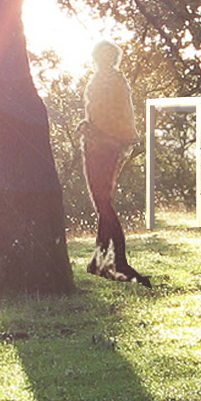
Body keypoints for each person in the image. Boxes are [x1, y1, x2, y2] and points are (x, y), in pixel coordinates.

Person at [80, 41, 149, 285]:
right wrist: (86, 124)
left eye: (110, 55)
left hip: (107, 146)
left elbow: (119, 115)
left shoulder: (116, 80)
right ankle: (99, 261)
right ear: (95, 56)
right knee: (102, 203)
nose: (105, 58)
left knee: (103, 203)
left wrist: (105, 135)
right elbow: (96, 112)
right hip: (95, 144)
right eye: (101, 54)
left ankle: (119, 262)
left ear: (115, 58)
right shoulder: (97, 78)